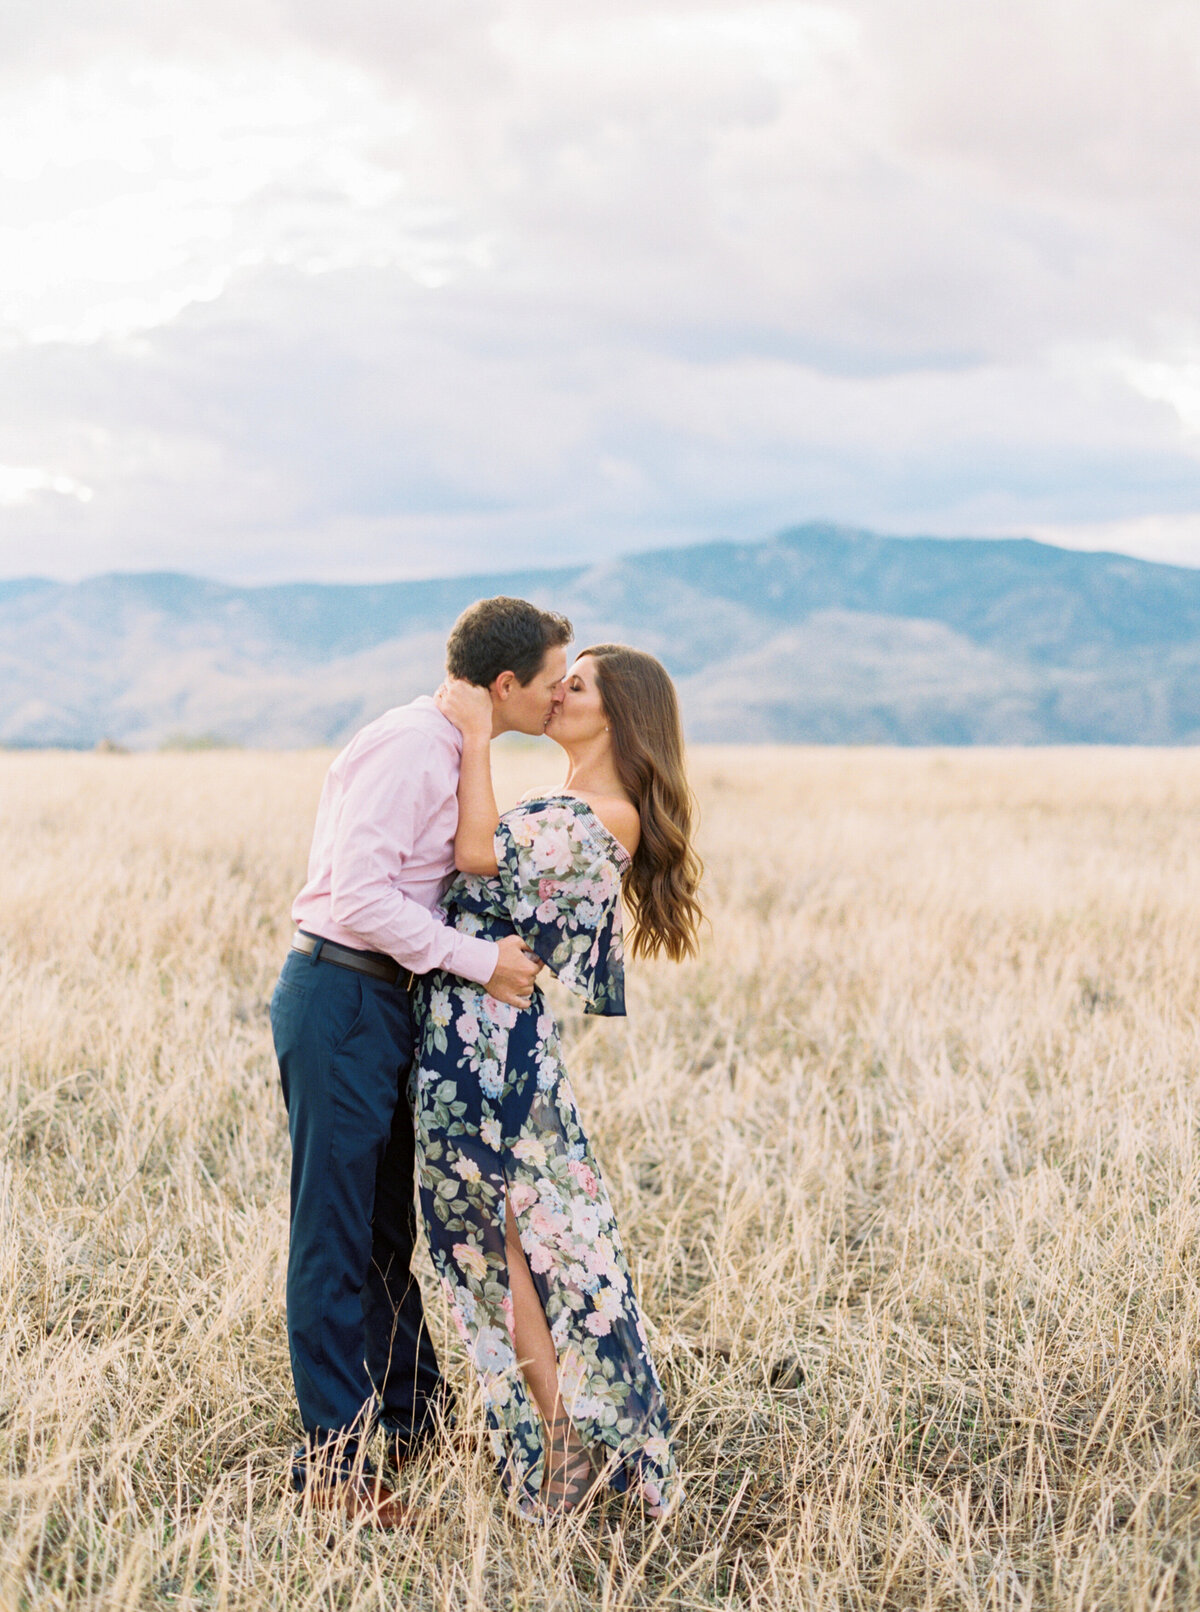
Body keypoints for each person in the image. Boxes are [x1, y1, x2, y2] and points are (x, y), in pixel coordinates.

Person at [268, 596, 571, 1527]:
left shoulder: (453, 751)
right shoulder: (410, 747)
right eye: (555, 685)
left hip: (384, 1004)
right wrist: (481, 962)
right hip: (342, 994)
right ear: (505, 683)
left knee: (386, 1230)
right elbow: (357, 898)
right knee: (334, 1231)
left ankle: (409, 1420)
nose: (562, 700)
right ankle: (335, 1464)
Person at [412, 643, 703, 1519]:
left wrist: (473, 734)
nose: (555, 694)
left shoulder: (601, 813)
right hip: (473, 1030)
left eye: (575, 687)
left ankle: (564, 1436)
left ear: (617, 714)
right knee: (501, 1234)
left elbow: (470, 852)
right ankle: (554, 1433)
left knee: (517, 1236)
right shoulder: (579, 802)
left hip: (490, 1049)